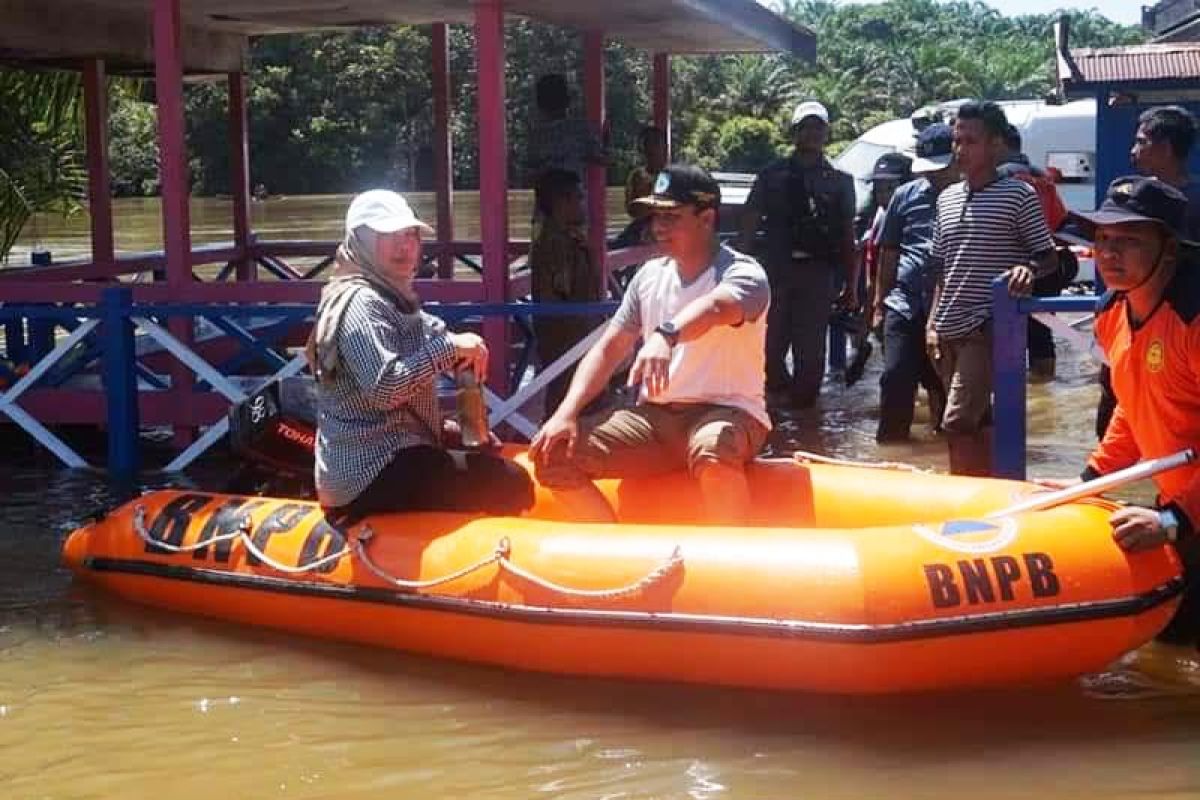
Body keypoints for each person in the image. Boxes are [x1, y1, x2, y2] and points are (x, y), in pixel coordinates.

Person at [530, 164, 771, 525]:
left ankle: (734, 562)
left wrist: (665, 335)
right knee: (553, 455)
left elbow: (717, 307)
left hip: (728, 412)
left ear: (707, 219)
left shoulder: (744, 273)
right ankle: (612, 556)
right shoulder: (649, 277)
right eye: (656, 216)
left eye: (671, 216)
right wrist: (566, 412)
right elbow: (609, 348)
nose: (658, 227)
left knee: (712, 449)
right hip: (654, 419)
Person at [309, 190, 534, 519]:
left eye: (411, 235)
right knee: (508, 482)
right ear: (361, 241)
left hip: (392, 456)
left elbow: (431, 340)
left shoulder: (392, 298)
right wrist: (450, 348)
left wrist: (454, 429)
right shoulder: (361, 303)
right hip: (369, 472)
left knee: (489, 466)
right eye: (389, 236)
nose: (405, 246)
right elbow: (386, 389)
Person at [1045, 176, 1200, 644]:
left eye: (1130, 240)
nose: (1110, 252)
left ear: (1169, 249)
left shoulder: (1193, 320)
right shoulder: (1112, 312)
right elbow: (1134, 403)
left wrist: (1176, 520)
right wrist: (1092, 480)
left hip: (1186, 512)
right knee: (1170, 649)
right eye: (1104, 238)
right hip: (1184, 508)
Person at [925, 101, 1060, 476]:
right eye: (957, 140)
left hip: (985, 326)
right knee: (979, 421)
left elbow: (1047, 256)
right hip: (947, 327)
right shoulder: (946, 198)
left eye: (970, 141)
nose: (960, 150)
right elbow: (941, 269)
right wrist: (932, 324)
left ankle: (961, 498)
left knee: (956, 422)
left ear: (996, 145)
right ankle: (992, 493)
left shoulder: (1019, 195)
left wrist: (1027, 269)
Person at [739, 100, 857, 410]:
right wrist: (735, 269)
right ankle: (776, 413)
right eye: (806, 126)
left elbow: (848, 236)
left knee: (811, 354)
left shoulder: (840, 181)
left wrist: (852, 285)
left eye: (819, 126)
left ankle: (807, 425)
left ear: (827, 132)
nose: (813, 133)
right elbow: (749, 224)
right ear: (795, 132)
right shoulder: (771, 176)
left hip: (818, 274)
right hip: (775, 270)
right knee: (769, 348)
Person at [1096, 106, 1200, 438]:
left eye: (1141, 142)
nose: (1132, 151)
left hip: (1179, 338)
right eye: (1105, 238)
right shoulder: (1111, 311)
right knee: (1123, 406)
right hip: (1136, 325)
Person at [872, 123, 955, 443]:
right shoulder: (904, 196)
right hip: (904, 302)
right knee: (895, 377)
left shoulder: (970, 196)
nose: (935, 175)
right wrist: (879, 306)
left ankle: (943, 450)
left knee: (944, 386)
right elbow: (888, 253)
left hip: (950, 306)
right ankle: (891, 448)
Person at [998, 124, 1074, 380]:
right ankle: (1044, 388)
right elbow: (1061, 221)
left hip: (1013, 269)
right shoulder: (1042, 177)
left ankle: (1015, 402)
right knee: (1042, 333)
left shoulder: (999, 178)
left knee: (1007, 334)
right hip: (1048, 265)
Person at [529, 169, 601, 414]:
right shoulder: (555, 244)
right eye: (579, 198)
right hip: (567, 336)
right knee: (566, 395)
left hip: (575, 335)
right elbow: (562, 291)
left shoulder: (568, 240)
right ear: (563, 201)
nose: (583, 205)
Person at [842, 152, 912, 387]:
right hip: (882, 301)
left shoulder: (906, 220)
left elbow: (884, 270)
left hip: (901, 304)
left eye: (889, 187)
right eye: (879, 187)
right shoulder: (879, 216)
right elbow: (871, 266)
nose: (883, 194)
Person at [526, 73, 605, 235]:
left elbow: (528, 172)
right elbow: (602, 158)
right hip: (573, 210)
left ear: (539, 103)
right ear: (567, 100)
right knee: (576, 255)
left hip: (544, 211)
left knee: (545, 254)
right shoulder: (581, 130)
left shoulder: (535, 136)